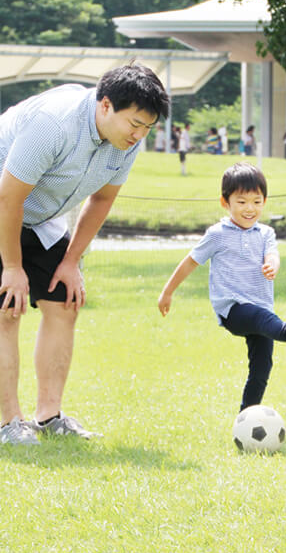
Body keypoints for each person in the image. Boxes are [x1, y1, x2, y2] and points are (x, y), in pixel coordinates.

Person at [0, 63, 169, 445]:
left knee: (65, 302)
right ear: (105, 105)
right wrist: (12, 267)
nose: (139, 135)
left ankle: (49, 416)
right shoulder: (54, 125)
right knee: (7, 307)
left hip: (40, 215)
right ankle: (9, 423)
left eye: (147, 127)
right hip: (2, 204)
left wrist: (71, 261)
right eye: (135, 124)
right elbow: (8, 199)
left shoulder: (127, 142)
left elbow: (102, 199)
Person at [158, 162, 286, 412]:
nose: (250, 209)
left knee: (261, 368)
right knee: (262, 318)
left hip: (261, 308)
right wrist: (167, 292)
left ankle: (245, 417)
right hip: (233, 310)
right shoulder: (217, 234)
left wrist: (272, 265)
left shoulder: (265, 233)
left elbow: (273, 255)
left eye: (256, 201)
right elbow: (190, 262)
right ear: (225, 202)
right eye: (241, 202)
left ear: (264, 201)